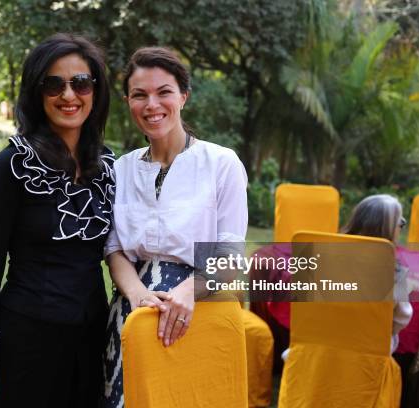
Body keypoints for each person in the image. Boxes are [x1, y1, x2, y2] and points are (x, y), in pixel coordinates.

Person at [0, 33, 114, 408]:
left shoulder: (109, 165)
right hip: (28, 338)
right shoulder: (13, 165)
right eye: (54, 84)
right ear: (37, 92)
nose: (69, 95)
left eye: (80, 83)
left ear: (95, 90)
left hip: (91, 340)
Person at [102, 47, 248, 407]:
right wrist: (137, 295)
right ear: (129, 102)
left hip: (202, 313)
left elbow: (230, 254)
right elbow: (113, 248)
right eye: (140, 95)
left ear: (183, 96)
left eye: (164, 91)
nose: (152, 104)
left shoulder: (221, 163)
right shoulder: (120, 169)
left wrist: (188, 290)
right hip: (131, 315)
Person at [341, 194, 413, 354]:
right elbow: (401, 318)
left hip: (320, 344)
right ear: (388, 231)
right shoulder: (395, 272)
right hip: (369, 350)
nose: (401, 227)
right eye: (400, 223)